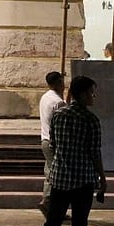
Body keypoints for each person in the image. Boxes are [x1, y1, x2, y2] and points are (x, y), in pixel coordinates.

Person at [31, 76, 106, 226]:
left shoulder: (59, 116)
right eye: (90, 92)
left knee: (52, 224)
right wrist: (102, 179)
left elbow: (54, 143)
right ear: (82, 94)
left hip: (60, 179)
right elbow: (95, 153)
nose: (93, 96)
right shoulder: (91, 120)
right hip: (83, 181)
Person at [37, 71, 66, 215]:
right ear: (57, 83)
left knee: (50, 171)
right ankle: (48, 202)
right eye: (62, 82)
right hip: (54, 142)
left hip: (44, 139)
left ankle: (48, 203)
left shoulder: (45, 97)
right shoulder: (58, 102)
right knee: (56, 174)